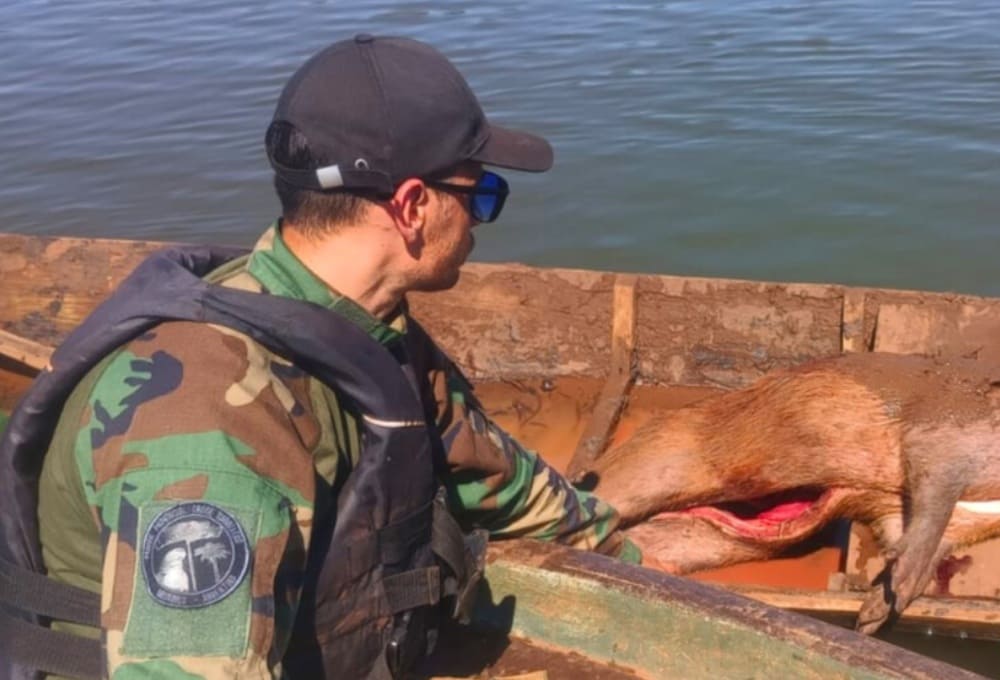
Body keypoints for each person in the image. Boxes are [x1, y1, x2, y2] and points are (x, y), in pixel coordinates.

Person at [0, 35, 640, 679]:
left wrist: (628, 552)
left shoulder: (366, 335)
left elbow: (508, 485)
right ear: (413, 206)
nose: (478, 221)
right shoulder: (206, 421)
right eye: (480, 196)